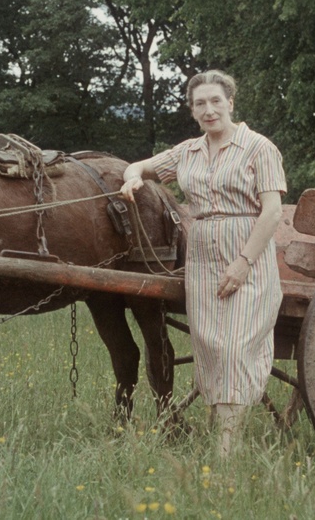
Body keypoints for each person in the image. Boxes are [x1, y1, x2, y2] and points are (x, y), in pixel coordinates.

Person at [119, 69, 285, 457]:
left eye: (215, 101)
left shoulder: (258, 148)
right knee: (210, 345)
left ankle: (226, 450)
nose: (209, 110)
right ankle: (223, 431)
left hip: (248, 255)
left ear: (230, 102)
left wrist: (244, 263)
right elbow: (139, 166)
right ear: (192, 111)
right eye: (200, 104)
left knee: (235, 347)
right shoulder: (188, 151)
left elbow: (273, 212)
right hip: (201, 257)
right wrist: (131, 180)